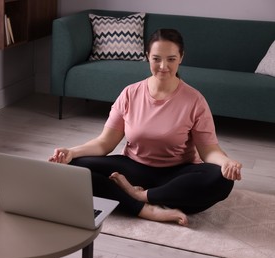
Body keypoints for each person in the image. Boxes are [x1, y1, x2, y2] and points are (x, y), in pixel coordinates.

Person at [49, 29, 242, 226]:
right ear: (147, 56)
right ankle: (146, 209)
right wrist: (71, 152)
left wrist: (226, 162)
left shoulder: (195, 101)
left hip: (177, 175)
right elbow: (104, 143)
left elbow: (208, 151)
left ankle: (140, 196)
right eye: (156, 58)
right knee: (73, 167)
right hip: (134, 168)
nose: (163, 66)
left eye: (171, 59)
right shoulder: (130, 93)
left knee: (222, 180)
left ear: (181, 58)